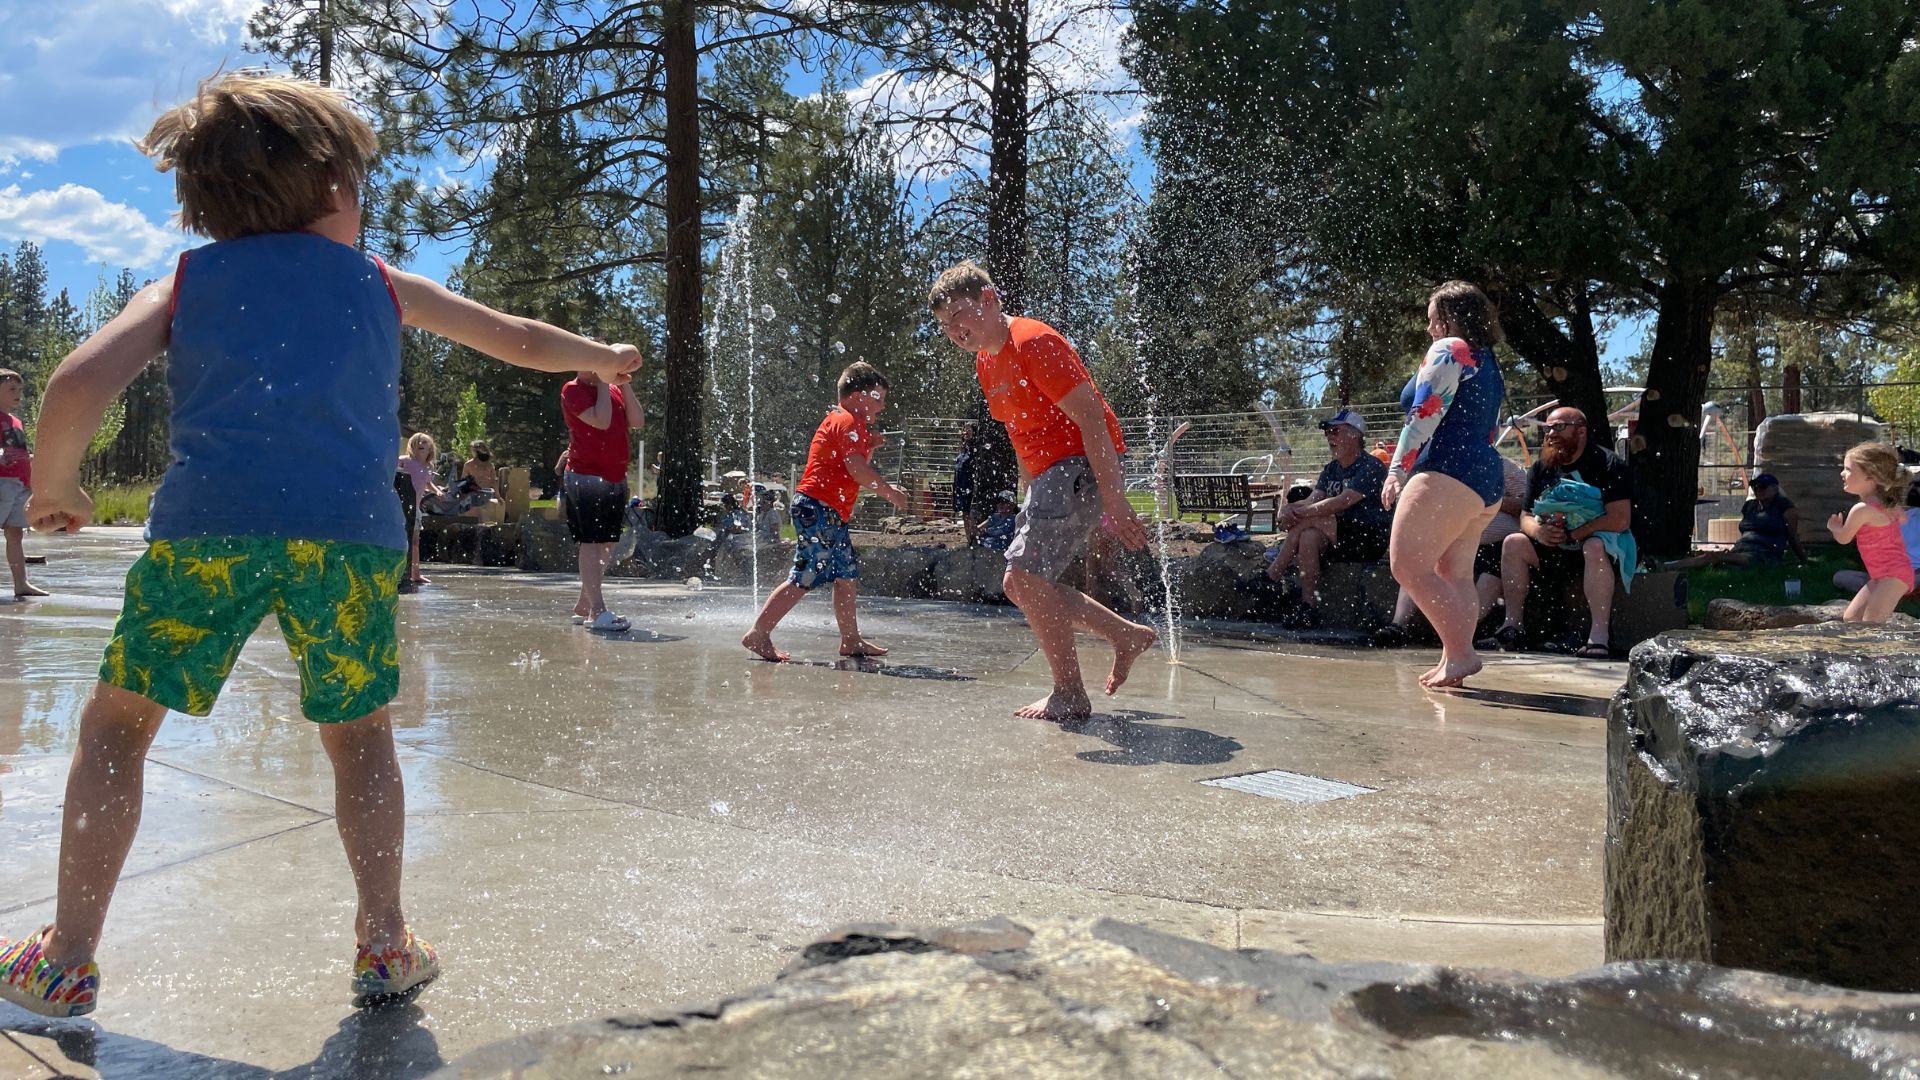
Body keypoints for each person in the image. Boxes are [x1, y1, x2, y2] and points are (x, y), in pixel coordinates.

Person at [0, 72, 641, 1019]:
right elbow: (512, 338)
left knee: (117, 729)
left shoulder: (186, 280)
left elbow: (79, 378)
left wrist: (56, 486)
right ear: (336, 188)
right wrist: (602, 355)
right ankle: (384, 943)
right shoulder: (382, 280)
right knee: (361, 738)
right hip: (346, 545)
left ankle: (68, 959)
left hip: (206, 538)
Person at [930, 261, 1156, 721]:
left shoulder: (1034, 341)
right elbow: (1019, 433)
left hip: (1079, 465)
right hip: (1050, 475)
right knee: (1021, 583)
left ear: (989, 301)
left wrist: (1113, 498)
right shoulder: (986, 362)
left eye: (959, 317)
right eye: (944, 326)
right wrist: (1024, 493)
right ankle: (1124, 634)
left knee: (1026, 580)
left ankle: (1070, 692)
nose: (953, 330)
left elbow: (1092, 418)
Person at [1379, 282, 1509, 687]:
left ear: (1450, 318)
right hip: (1485, 478)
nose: (1429, 327)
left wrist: (1396, 470)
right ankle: (1453, 659)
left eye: (1432, 318)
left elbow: (1423, 414)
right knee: (1455, 575)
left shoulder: (1450, 348)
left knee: (1406, 565)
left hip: (1447, 470)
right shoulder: (1488, 362)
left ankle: (1463, 654)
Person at [741, 362, 909, 662]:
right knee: (804, 576)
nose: (882, 406)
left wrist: (870, 445)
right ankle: (759, 633)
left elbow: (851, 462)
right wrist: (890, 492)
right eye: (878, 397)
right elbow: (857, 470)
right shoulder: (847, 422)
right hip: (818, 508)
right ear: (859, 395)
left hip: (827, 511)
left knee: (846, 576)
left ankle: (850, 640)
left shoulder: (845, 422)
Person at [1485, 406, 1634, 657]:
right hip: (1553, 545)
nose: (1550, 433)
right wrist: (1539, 532)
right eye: (1547, 428)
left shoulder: (1608, 463)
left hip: (1594, 547)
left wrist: (1577, 534)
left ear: (1581, 430)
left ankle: (1599, 636)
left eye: (1558, 427)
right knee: (1514, 542)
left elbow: (1620, 519)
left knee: (1594, 546)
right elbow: (1526, 516)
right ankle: (1512, 625)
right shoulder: (1542, 467)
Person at [1375, 454, 1526, 648]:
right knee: (1419, 560)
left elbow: (1526, 504)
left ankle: (1461, 635)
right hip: (1455, 542)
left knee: (1491, 565)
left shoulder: (1501, 466)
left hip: (1495, 546)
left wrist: (1487, 501)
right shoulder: (1442, 468)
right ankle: (1398, 626)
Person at [1257, 409, 1391, 628]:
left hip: (1368, 539)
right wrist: (1289, 509)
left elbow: (1343, 501)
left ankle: (1271, 576)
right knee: (1308, 536)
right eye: (1328, 432)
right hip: (1338, 535)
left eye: (1335, 431)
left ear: (1355, 435)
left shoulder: (1371, 467)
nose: (1330, 437)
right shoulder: (1331, 469)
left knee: (1311, 521)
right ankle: (1308, 607)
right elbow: (1313, 499)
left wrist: (1299, 514)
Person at [561, 367, 644, 631]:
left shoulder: (611, 389)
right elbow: (602, 420)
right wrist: (602, 383)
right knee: (591, 540)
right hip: (585, 474)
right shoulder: (572, 389)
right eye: (593, 358)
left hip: (614, 475)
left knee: (607, 542)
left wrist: (624, 383)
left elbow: (638, 421)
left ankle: (584, 605)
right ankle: (597, 612)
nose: (599, 365)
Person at [1826, 442, 1913, 624]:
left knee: (1871, 623)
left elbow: (1843, 538)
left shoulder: (1862, 509)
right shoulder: (1885, 504)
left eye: (1848, 469)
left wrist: (1835, 528)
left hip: (1893, 575)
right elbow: (1903, 519)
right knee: (1851, 618)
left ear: (1870, 476)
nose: (1842, 474)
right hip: (1882, 574)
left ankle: (1884, 652)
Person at [1659, 473, 1806, 569]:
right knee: (1712, 559)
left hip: (1764, 554)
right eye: (1754, 486)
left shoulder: (1786, 508)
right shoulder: (1750, 506)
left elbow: (1792, 537)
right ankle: (1669, 565)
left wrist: (1804, 560)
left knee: (1713, 557)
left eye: (1762, 487)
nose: (1757, 489)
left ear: (1775, 489)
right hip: (1742, 550)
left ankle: (1666, 567)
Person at [0, 369, 48, 600]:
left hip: (19, 483)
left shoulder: (16, 421)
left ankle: (22, 583)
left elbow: (17, 450)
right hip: (1, 483)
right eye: (11, 389)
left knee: (16, 534)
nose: (18, 394)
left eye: (20, 390)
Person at [1835, 477, 1920, 594]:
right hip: (1896, 573)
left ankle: (1889, 591)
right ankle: (1892, 591)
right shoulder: (1904, 516)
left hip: (1913, 575)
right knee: (1841, 577)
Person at [397, 432, 441, 585]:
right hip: (401, 508)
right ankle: (399, 572)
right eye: (417, 441)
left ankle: (415, 574)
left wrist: (437, 491)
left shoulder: (429, 467)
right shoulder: (404, 461)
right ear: (412, 446)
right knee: (402, 539)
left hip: (416, 509)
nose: (421, 443)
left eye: (424, 441)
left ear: (430, 448)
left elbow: (427, 483)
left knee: (415, 541)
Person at [954, 422, 978, 545]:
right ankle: (969, 539)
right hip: (961, 484)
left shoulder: (976, 448)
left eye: (969, 430)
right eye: (965, 430)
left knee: (971, 512)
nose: (966, 432)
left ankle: (975, 539)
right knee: (964, 513)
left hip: (970, 485)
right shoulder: (963, 448)